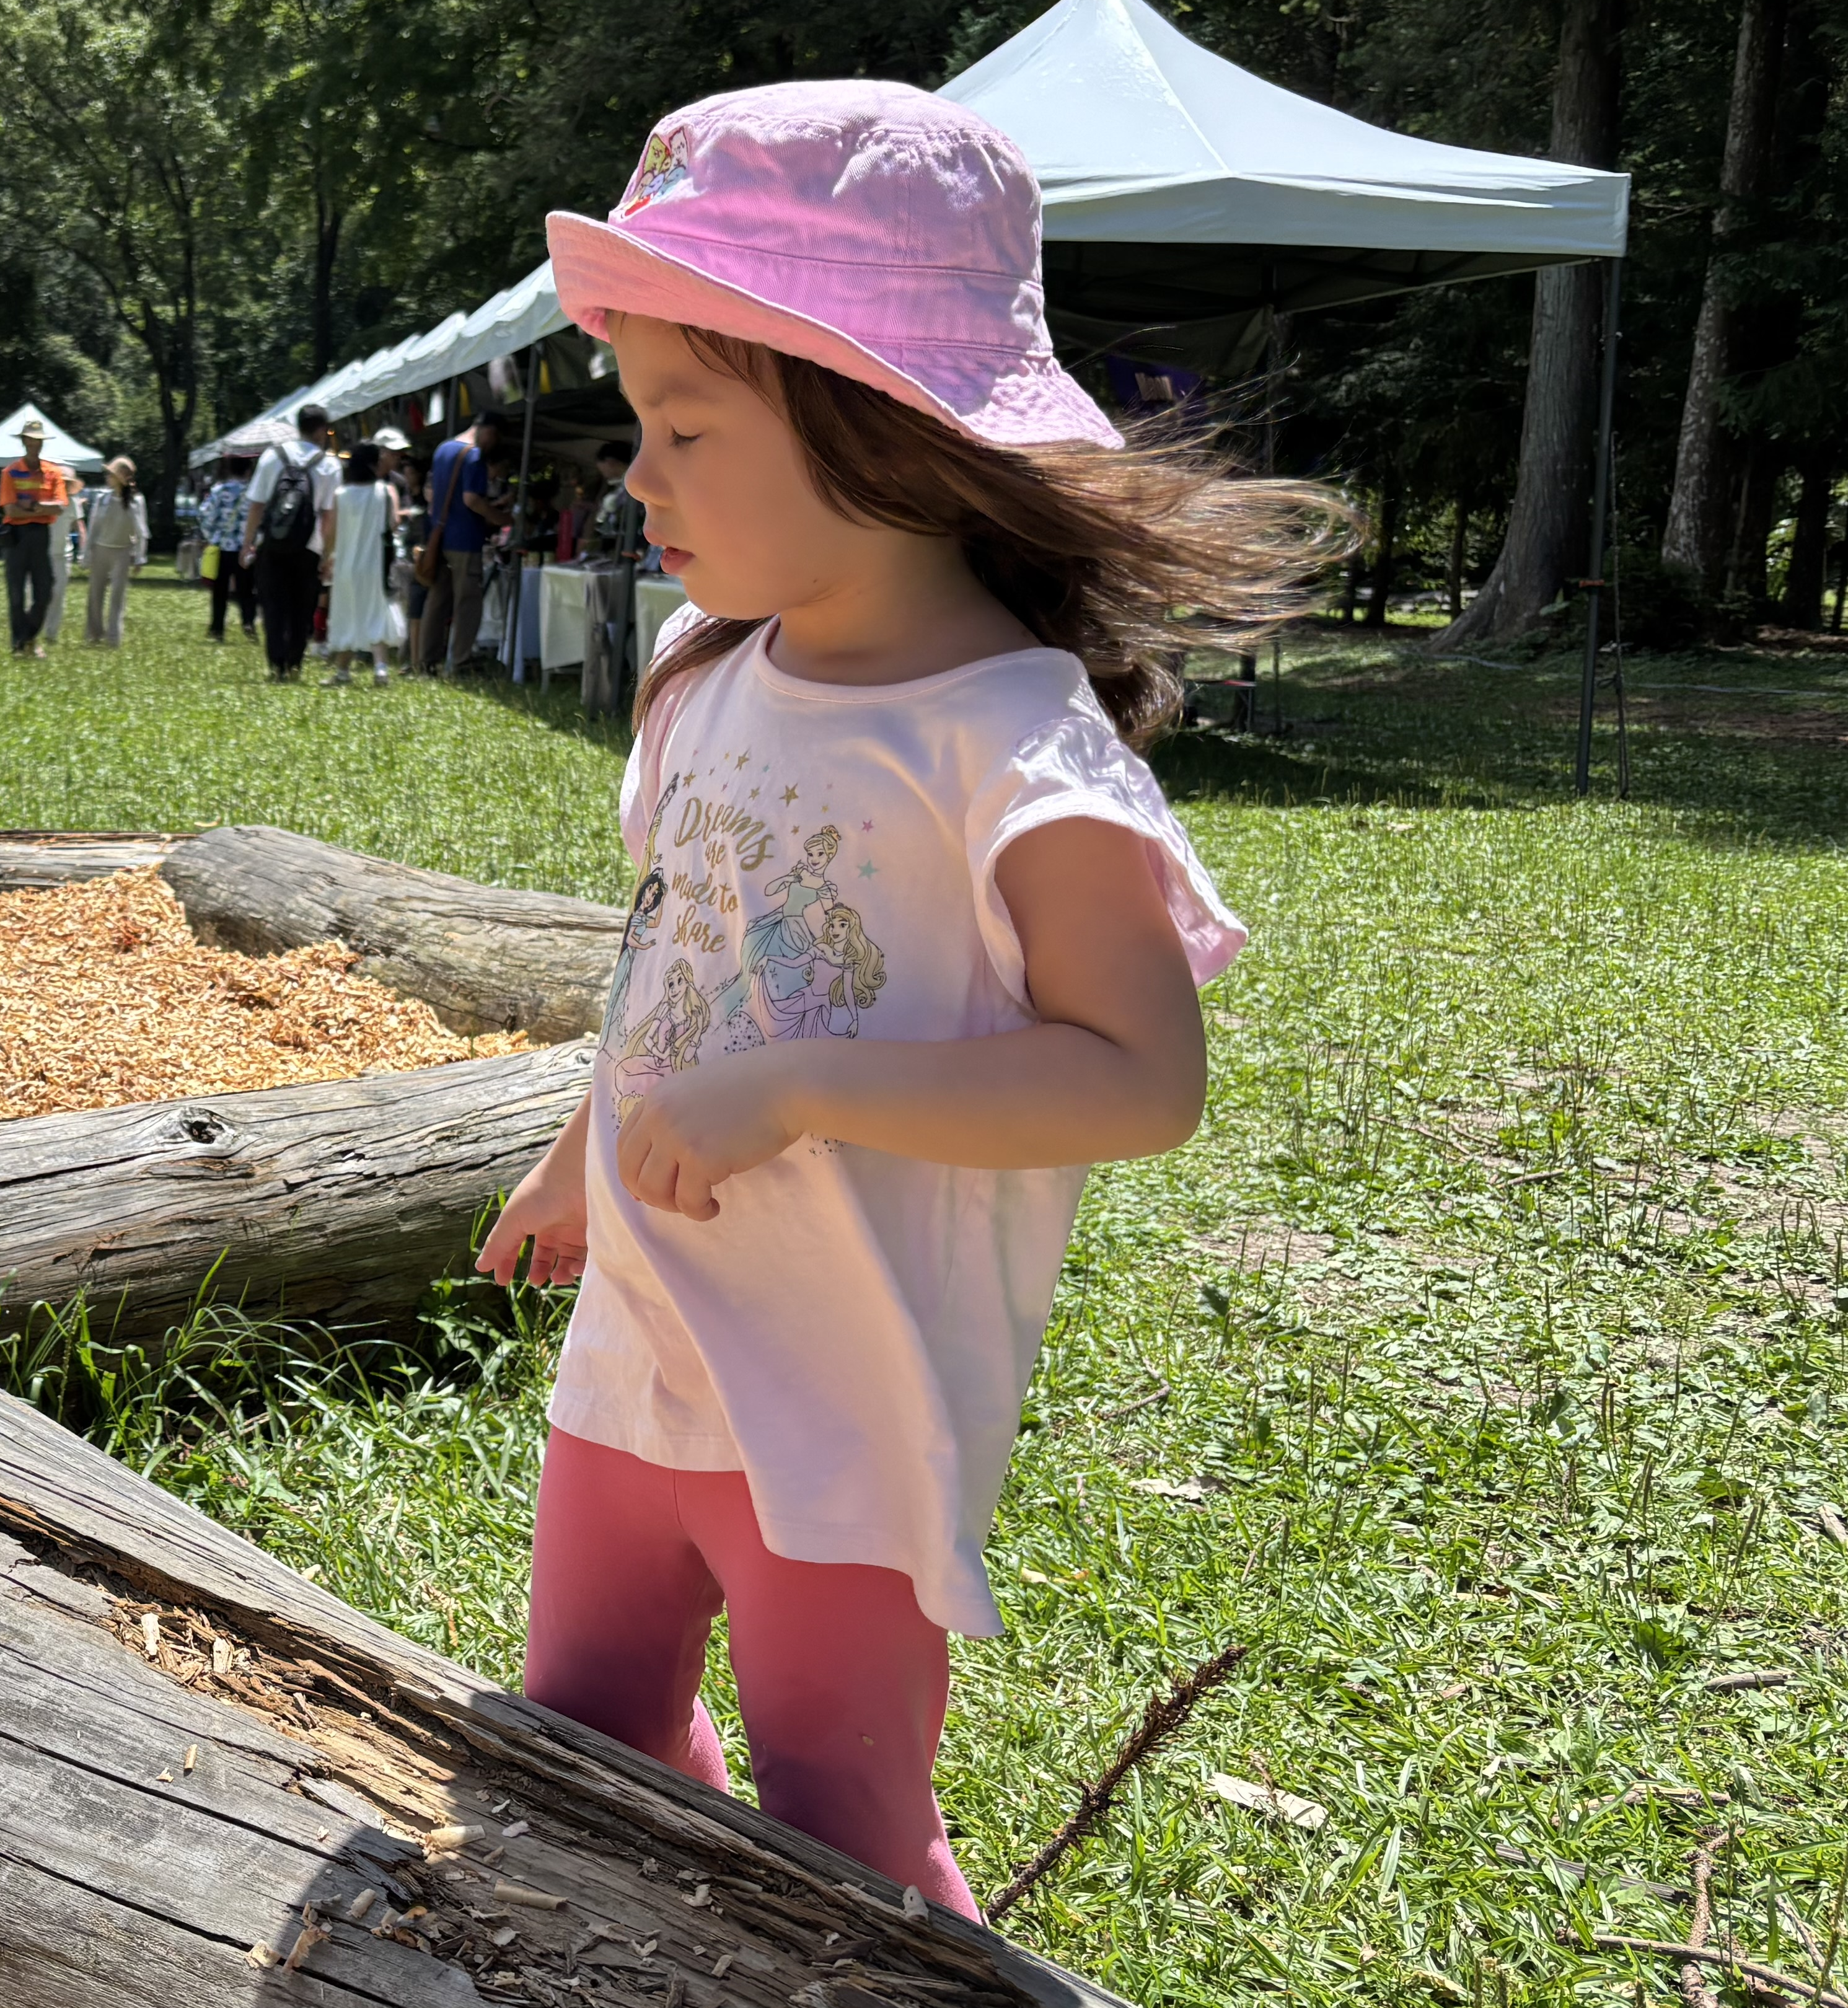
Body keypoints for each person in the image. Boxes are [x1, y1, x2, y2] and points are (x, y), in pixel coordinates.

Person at [472, 81, 1349, 1919]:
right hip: (642, 1350)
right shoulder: (707, 679)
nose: (637, 477)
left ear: (884, 434)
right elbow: (668, 943)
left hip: (847, 1410)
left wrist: (799, 1088)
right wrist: (577, 1154)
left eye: (688, 427)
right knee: (579, 1734)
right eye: (642, 424)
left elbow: (1137, 1078)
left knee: (847, 1834)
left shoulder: (1016, 745)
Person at [242, 403, 340, 682]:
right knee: (302, 607)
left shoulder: (273, 456)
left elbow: (257, 505)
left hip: (272, 543)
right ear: (322, 430)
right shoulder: (329, 464)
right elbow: (329, 516)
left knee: (273, 604)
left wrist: (248, 542)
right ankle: (294, 664)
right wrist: (328, 555)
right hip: (310, 548)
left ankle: (276, 664)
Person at [416, 410, 506, 673]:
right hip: (465, 539)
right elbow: (472, 499)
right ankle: (459, 661)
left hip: (439, 537)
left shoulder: (443, 449)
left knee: (437, 598)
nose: (493, 445)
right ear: (487, 429)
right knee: (468, 602)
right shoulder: (474, 455)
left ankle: (426, 660)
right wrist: (500, 517)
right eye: (495, 438)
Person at [322, 440, 405, 685]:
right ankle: (381, 669)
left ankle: (343, 672)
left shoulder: (341, 494)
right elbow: (393, 525)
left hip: (346, 565)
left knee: (347, 614)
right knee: (375, 612)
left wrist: (326, 558)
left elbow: (332, 533)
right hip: (374, 565)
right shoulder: (385, 491)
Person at [0, 419, 76, 657]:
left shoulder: (53, 473)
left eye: (38, 440)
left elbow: (60, 507)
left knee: (45, 591)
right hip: (16, 538)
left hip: (41, 536)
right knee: (16, 593)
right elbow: (10, 510)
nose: (34, 444)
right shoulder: (10, 472)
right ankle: (20, 643)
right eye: (30, 440)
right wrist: (42, 508)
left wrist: (31, 504)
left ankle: (28, 637)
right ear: (24, 442)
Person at [83, 456, 151, 646]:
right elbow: (93, 528)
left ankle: (114, 638)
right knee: (95, 595)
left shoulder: (137, 501)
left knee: (117, 597)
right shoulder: (102, 499)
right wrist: (87, 554)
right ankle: (94, 634)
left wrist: (140, 557)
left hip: (122, 552)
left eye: (111, 474)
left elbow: (141, 531)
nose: (108, 477)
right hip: (101, 551)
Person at [199, 456, 258, 644]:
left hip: (223, 547)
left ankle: (217, 629)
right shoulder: (253, 492)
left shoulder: (219, 490)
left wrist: (211, 536)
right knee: (247, 590)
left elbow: (206, 515)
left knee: (220, 590)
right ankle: (248, 623)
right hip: (245, 549)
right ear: (248, 471)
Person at [42, 465, 84, 649]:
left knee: (58, 595)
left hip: (62, 556)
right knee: (37, 595)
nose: (64, 486)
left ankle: (51, 633)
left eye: (67, 483)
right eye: (61, 482)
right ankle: (35, 630)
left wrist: (84, 552)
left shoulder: (73, 503)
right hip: (41, 554)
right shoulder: (44, 500)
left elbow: (80, 528)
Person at [592, 437, 648, 562]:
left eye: (602, 467)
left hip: (638, 542)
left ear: (610, 462)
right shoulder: (620, 485)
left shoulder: (635, 482)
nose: (602, 473)